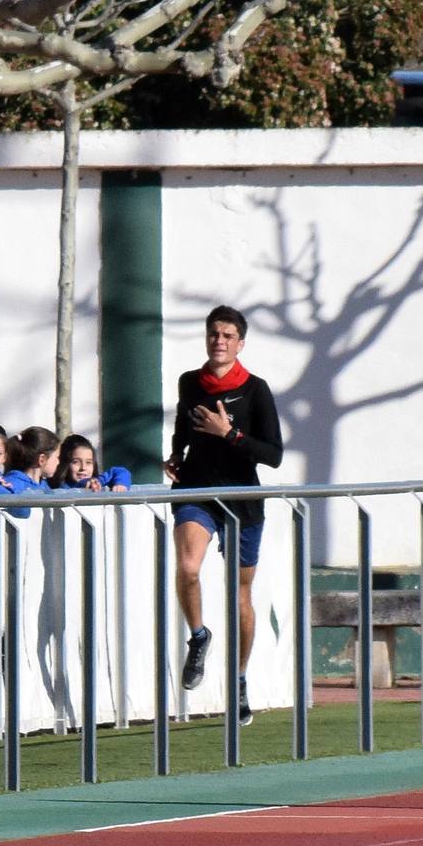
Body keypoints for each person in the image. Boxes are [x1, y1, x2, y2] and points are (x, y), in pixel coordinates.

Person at [165, 305, 283, 722]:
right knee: (188, 567)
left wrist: (229, 434)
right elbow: (182, 426)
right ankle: (198, 636)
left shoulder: (255, 389)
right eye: (214, 333)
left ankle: (240, 679)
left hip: (242, 498)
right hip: (197, 490)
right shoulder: (189, 383)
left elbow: (274, 455)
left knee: (240, 595)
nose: (219, 340)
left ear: (240, 343)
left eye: (228, 335)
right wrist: (176, 454)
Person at [50, 434, 130, 492]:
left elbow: (120, 471)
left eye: (88, 462)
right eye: (76, 462)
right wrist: (84, 484)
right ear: (65, 463)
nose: (83, 468)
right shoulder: (56, 487)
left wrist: (120, 484)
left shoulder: (96, 482)